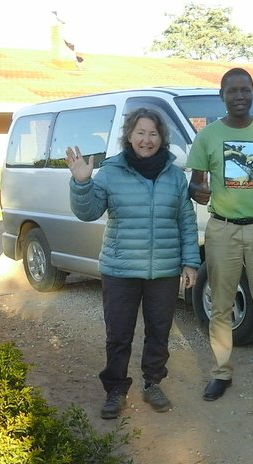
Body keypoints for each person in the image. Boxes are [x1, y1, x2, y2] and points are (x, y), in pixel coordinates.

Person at [66, 108, 200, 418]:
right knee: (118, 334)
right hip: (120, 269)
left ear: (161, 138)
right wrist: (82, 183)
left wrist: (190, 262)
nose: (146, 139)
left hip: (163, 270)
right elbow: (88, 212)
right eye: (140, 132)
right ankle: (115, 389)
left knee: (159, 331)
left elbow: (186, 220)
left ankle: (153, 383)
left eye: (153, 133)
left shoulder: (174, 174)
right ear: (129, 135)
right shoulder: (111, 171)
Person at [187, 67, 253, 401]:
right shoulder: (208, 136)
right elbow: (195, 181)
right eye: (232, 91)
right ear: (222, 96)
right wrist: (196, 191)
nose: (239, 96)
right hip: (222, 229)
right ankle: (221, 372)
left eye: (244, 90)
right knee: (220, 305)